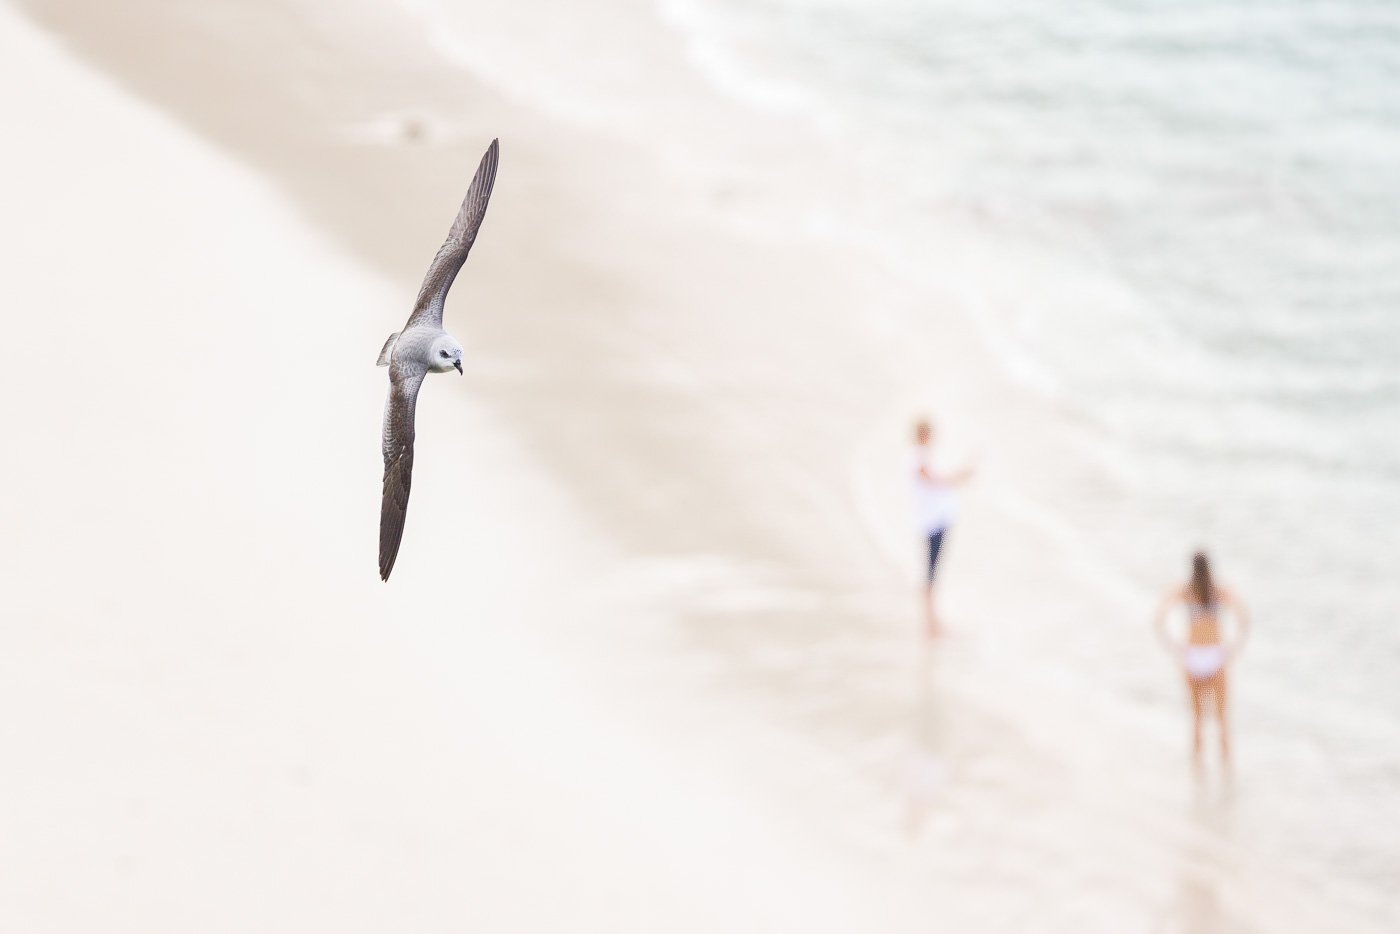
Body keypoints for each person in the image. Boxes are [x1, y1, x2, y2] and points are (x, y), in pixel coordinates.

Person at [1153, 551, 1251, 773]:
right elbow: (1244, 619)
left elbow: (1158, 618)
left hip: (1193, 656)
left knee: (1197, 720)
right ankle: (1227, 775)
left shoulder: (1185, 591)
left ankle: (1198, 776)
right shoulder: (1219, 590)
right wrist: (1233, 650)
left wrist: (1175, 648)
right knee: (1221, 720)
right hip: (1216, 656)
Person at [909, 419, 974, 636]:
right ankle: (930, 622)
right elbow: (932, 480)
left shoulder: (920, 456)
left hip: (934, 519)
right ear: (926, 434)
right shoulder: (919, 457)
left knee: (932, 569)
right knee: (932, 570)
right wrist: (960, 476)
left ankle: (931, 618)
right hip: (932, 521)